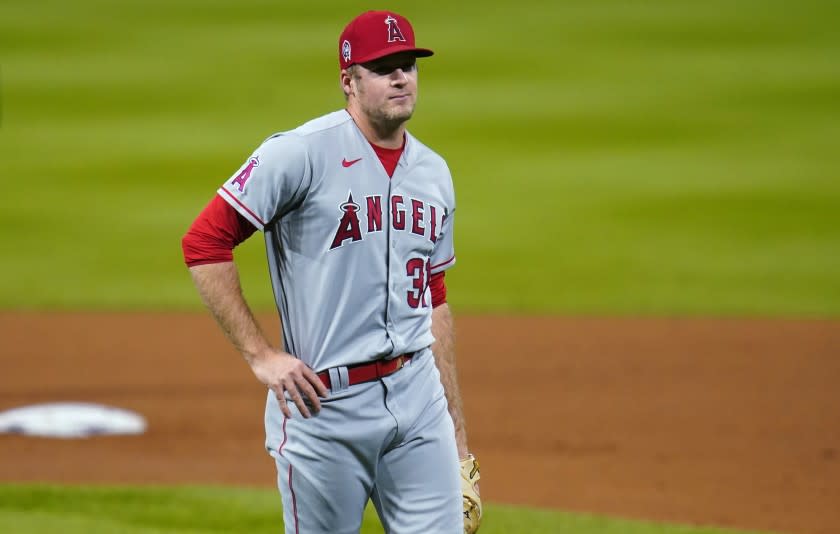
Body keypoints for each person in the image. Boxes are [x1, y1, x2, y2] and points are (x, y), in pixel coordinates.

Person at [181, 10, 481, 534]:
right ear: (348, 80)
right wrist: (262, 355)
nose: (401, 77)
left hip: (418, 400)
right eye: (383, 66)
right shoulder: (299, 153)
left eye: (408, 64)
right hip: (325, 410)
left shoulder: (434, 171)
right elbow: (205, 241)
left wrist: (457, 441)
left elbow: (433, 296)